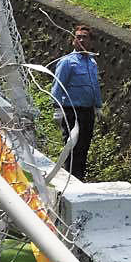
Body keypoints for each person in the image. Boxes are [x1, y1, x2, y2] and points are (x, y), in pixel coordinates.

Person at [50, 24, 103, 181]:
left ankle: (79, 179)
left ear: (91, 41)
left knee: (84, 146)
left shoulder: (92, 63)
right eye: (77, 37)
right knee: (72, 147)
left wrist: (98, 106)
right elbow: (58, 86)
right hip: (71, 111)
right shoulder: (67, 62)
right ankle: (70, 180)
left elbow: (94, 86)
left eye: (84, 37)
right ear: (73, 40)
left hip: (88, 112)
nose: (80, 39)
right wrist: (57, 109)